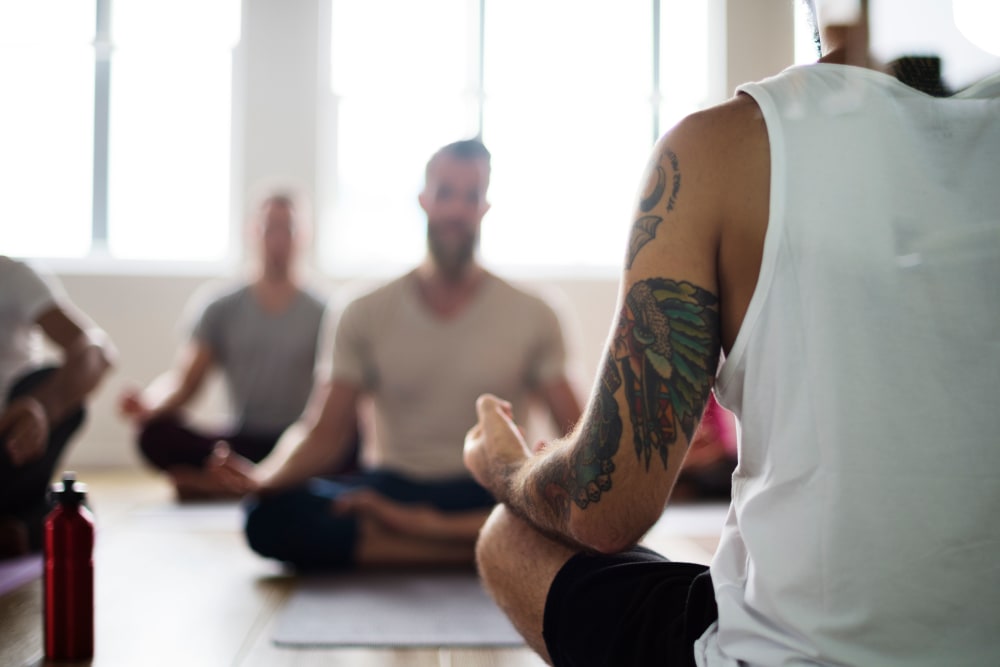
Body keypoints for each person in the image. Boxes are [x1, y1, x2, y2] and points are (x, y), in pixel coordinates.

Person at [463, 2, 1000, 665]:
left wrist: (504, 465)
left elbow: (603, 507)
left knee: (508, 534)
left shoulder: (717, 149)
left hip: (790, 654)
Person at [212, 139, 582, 570]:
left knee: (576, 514)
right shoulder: (363, 310)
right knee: (267, 517)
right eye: (446, 193)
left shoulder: (535, 312)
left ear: (485, 207)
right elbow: (323, 432)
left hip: (492, 489)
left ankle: (415, 538)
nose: (456, 210)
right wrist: (264, 477)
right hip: (393, 487)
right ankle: (480, 549)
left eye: (471, 196)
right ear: (425, 200)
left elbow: (574, 434)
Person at [119, 194, 327, 500]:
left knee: (352, 448)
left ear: (304, 235)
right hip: (240, 441)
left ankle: (223, 484)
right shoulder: (221, 306)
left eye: (288, 228)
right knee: (153, 433)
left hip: (299, 442)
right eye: (271, 227)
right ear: (253, 231)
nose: (279, 238)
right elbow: (185, 383)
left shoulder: (326, 312)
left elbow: (339, 403)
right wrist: (149, 404)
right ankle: (254, 480)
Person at [0, 257, 115, 557]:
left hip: (9, 447)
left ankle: (24, 526)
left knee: (56, 383)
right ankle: (29, 525)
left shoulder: (13, 276)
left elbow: (96, 351)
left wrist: (39, 408)